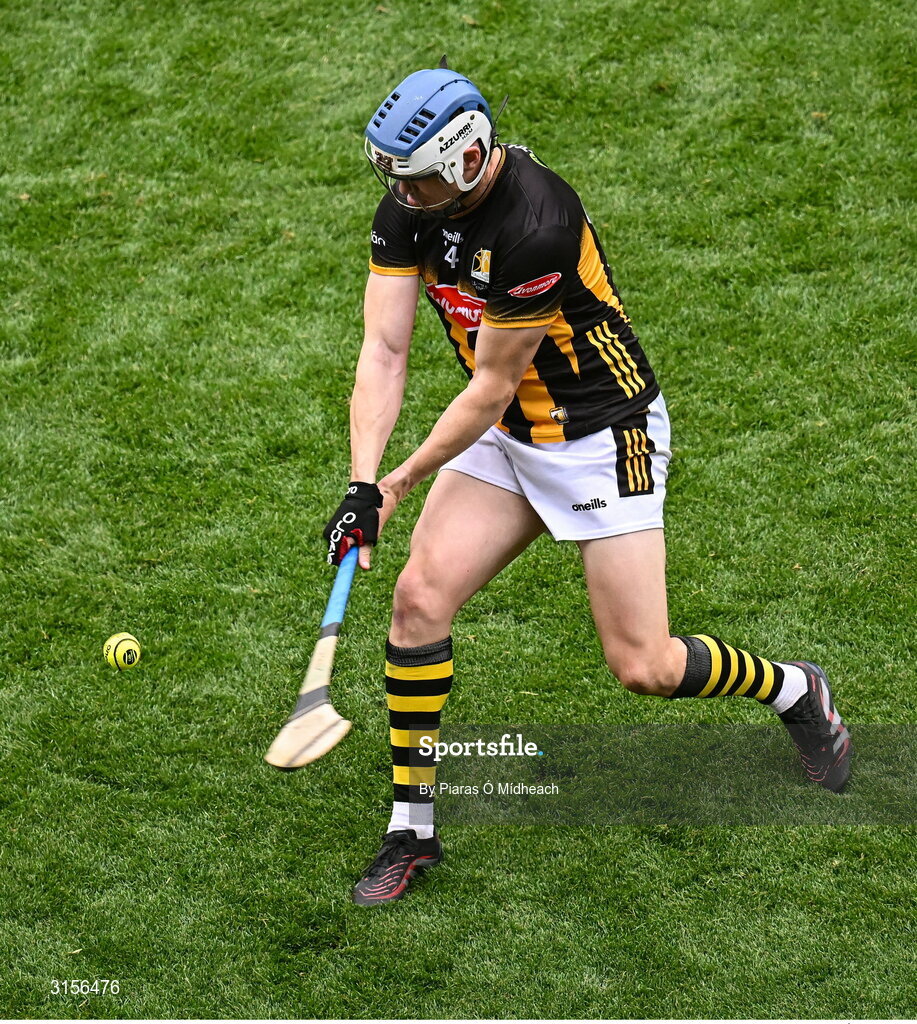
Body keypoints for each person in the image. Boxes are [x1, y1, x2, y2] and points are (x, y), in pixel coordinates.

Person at [322, 63, 852, 906]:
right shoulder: (410, 208)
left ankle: (794, 687)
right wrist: (361, 483)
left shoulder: (536, 220)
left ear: (465, 160)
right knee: (418, 601)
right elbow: (384, 352)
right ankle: (410, 829)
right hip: (503, 437)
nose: (403, 197)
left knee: (643, 665)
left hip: (603, 436)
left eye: (418, 178)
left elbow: (491, 384)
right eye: (395, 179)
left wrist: (402, 480)